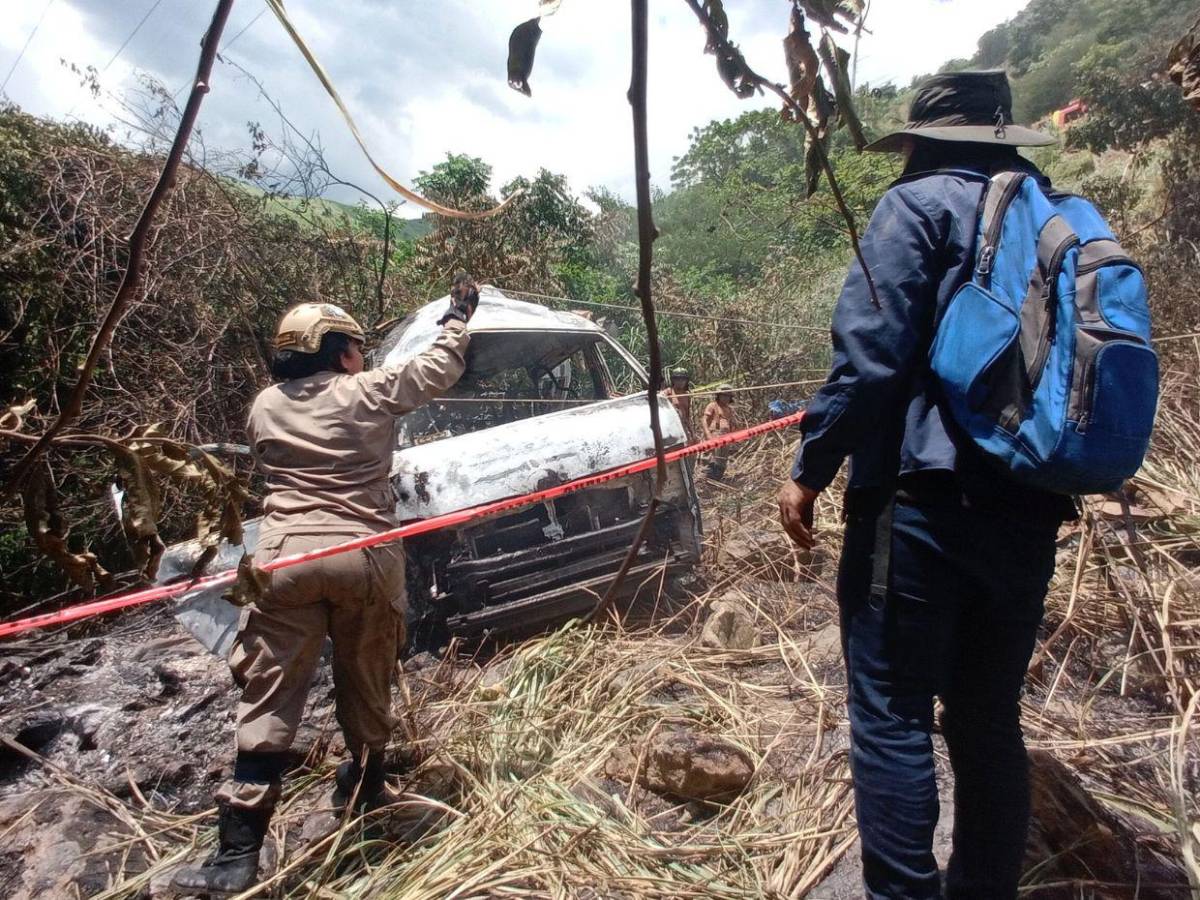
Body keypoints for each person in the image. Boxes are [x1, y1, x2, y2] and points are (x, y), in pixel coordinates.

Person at [776, 71, 1075, 900]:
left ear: (918, 143)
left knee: (892, 713)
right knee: (987, 718)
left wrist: (809, 470)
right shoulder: (1050, 215)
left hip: (919, 506)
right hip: (1029, 506)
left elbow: (870, 358)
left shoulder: (916, 207)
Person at [172, 276, 478, 895]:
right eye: (356, 347)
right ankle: (366, 792)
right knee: (367, 679)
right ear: (340, 350)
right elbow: (439, 368)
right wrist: (457, 316)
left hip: (280, 560)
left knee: (268, 695)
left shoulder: (263, 405)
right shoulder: (365, 391)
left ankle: (236, 854)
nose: (361, 358)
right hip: (362, 555)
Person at [702, 385, 736, 479]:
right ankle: (709, 479)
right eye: (723, 395)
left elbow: (731, 424)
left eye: (728, 396)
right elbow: (704, 420)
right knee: (713, 458)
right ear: (718, 395)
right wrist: (708, 434)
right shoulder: (713, 405)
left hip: (726, 437)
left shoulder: (729, 409)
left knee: (722, 459)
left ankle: (718, 478)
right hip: (715, 435)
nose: (725, 398)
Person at [663, 367, 693, 439]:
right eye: (678, 379)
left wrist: (692, 432)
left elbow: (687, 416)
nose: (681, 381)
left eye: (683, 379)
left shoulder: (687, 395)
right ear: (673, 380)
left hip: (683, 427)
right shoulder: (668, 392)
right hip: (671, 428)